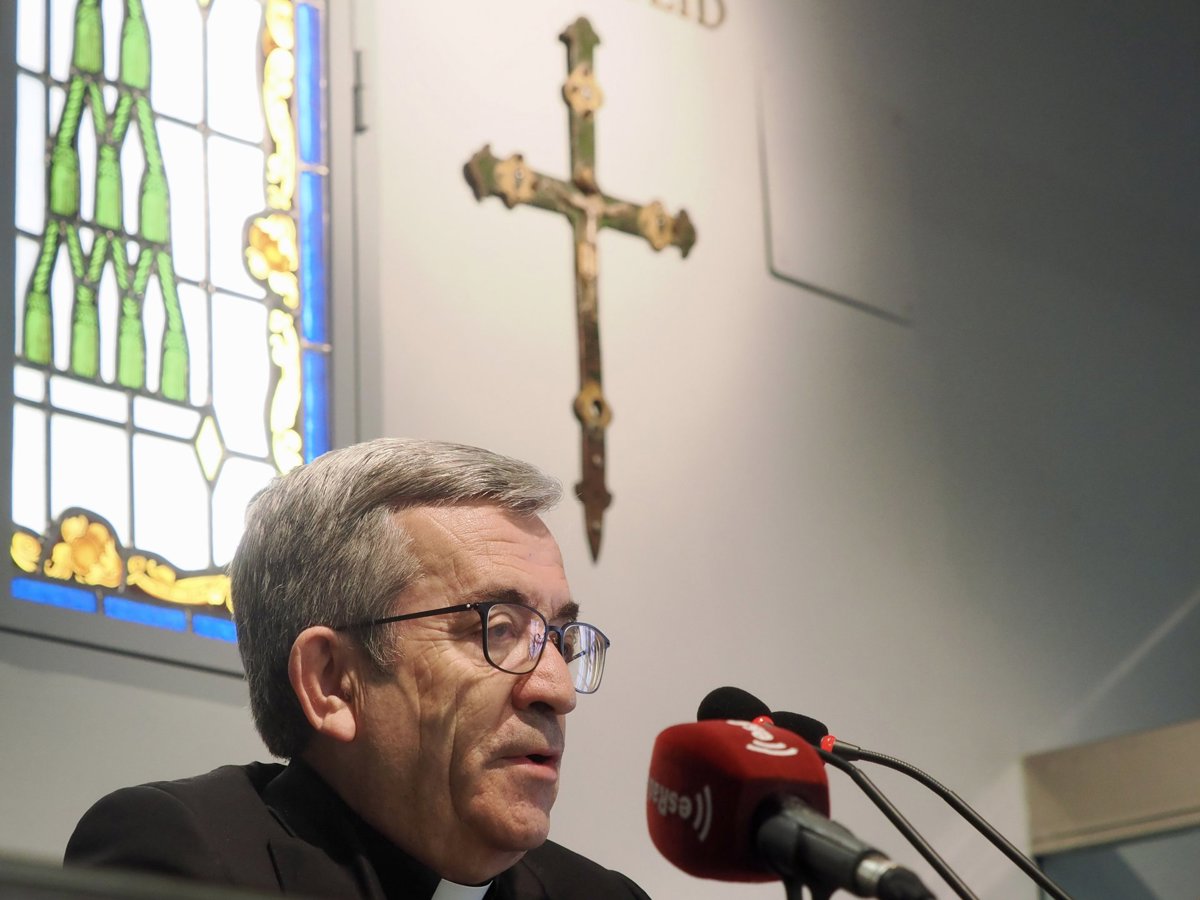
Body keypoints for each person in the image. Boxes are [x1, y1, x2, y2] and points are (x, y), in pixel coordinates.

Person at [65, 438, 650, 899]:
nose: (557, 688)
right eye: (498, 629)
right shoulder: (184, 857)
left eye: (560, 639)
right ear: (331, 683)